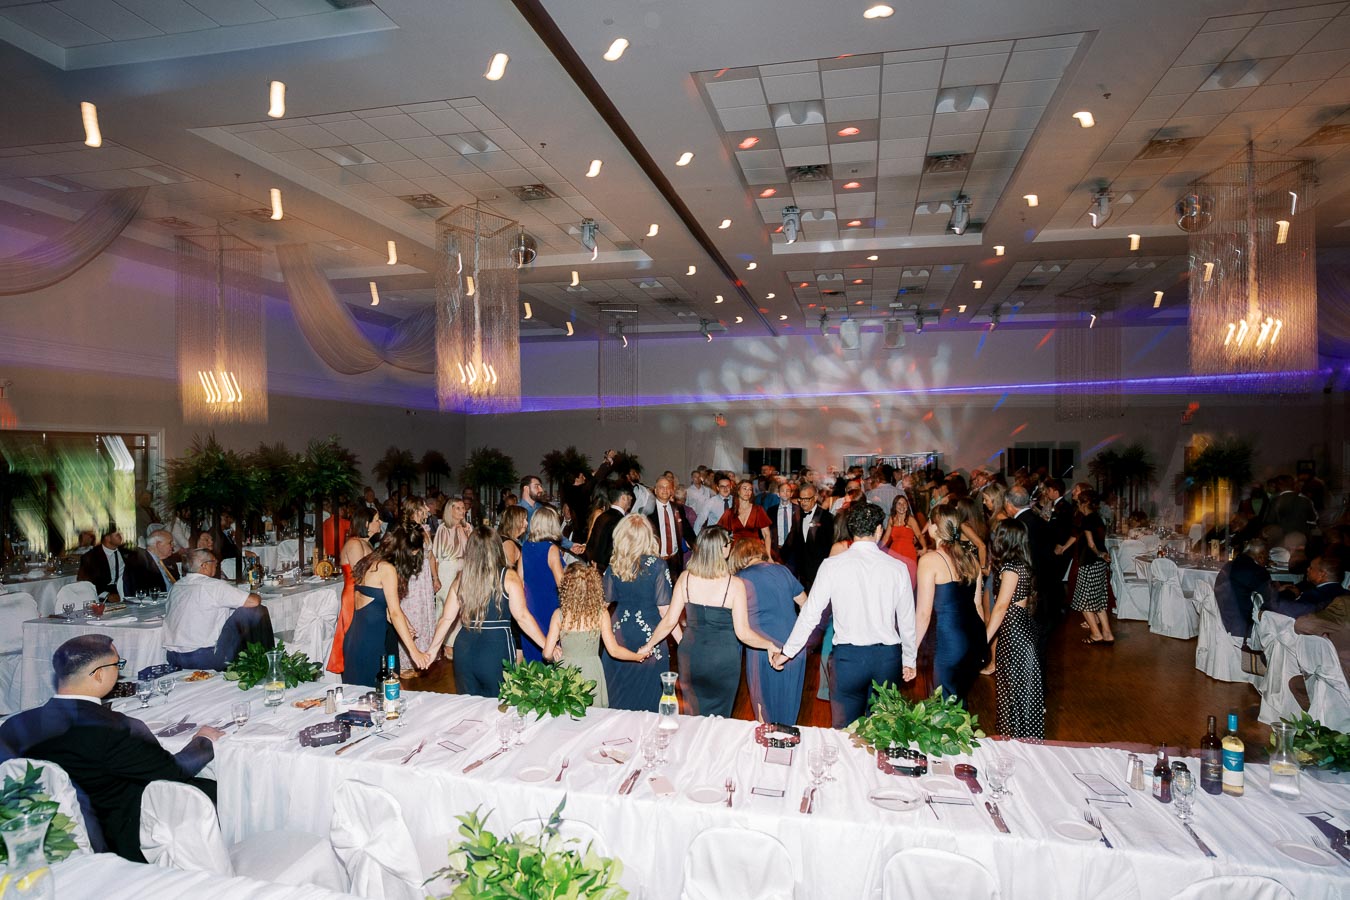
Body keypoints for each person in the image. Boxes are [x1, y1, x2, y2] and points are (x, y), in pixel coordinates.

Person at [0, 635, 222, 862]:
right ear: (99, 674)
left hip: (47, 836)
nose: (119, 670)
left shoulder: (13, 726)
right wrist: (203, 741)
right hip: (118, 842)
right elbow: (172, 771)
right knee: (216, 789)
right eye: (118, 664)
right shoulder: (116, 729)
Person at [773, 503, 918, 728]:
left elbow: (810, 614)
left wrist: (787, 652)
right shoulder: (897, 568)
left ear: (851, 530)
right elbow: (907, 620)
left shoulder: (832, 565)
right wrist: (909, 659)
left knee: (846, 733)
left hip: (848, 659)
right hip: (887, 658)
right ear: (879, 529)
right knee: (884, 730)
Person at [640, 526, 780, 717]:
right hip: (722, 660)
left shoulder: (685, 578)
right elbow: (743, 633)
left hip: (691, 656)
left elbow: (669, 621)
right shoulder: (735, 585)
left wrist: (648, 645)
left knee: (693, 717)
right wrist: (769, 645)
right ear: (722, 549)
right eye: (728, 544)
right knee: (720, 719)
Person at [428, 525, 549, 697]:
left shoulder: (461, 578)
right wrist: (547, 645)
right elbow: (522, 616)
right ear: (497, 548)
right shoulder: (508, 577)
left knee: (468, 708)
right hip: (496, 647)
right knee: (499, 706)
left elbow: (446, 619)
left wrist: (432, 650)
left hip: (464, 649)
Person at [542, 563, 647, 708]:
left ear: (566, 588)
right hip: (591, 673)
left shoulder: (559, 615)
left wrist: (555, 651)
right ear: (593, 587)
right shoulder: (600, 614)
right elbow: (614, 651)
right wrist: (638, 656)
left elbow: (547, 654)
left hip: (565, 675)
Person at [729, 537, 808, 724]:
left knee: (764, 712)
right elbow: (806, 605)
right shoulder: (783, 570)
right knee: (788, 711)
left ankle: (768, 750)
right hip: (793, 647)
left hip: (762, 649)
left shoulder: (740, 579)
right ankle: (787, 749)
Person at [600, 515, 674, 712]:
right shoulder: (658, 565)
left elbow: (601, 606)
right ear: (648, 536)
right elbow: (666, 611)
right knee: (649, 702)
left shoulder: (614, 566)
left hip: (618, 637)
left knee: (618, 699)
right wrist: (684, 642)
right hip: (651, 637)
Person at [915, 503, 987, 702]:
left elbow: (923, 614)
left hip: (948, 642)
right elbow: (978, 606)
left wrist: (910, 650)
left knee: (944, 708)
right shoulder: (971, 559)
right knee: (959, 701)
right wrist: (983, 643)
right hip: (973, 639)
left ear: (935, 528)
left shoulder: (930, 561)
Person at [343, 526, 430, 688]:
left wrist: (406, 624)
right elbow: (394, 613)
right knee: (385, 694)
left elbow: (382, 609)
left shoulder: (371, 561)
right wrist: (414, 652)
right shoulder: (387, 569)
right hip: (371, 644)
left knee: (374, 695)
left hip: (356, 639)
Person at [162, 549, 274, 670]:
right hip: (203, 658)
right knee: (256, 610)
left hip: (173, 657)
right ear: (204, 566)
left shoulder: (177, 586)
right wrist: (256, 593)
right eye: (214, 562)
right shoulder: (214, 585)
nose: (216, 564)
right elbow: (253, 602)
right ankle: (264, 661)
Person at [985, 519, 1044, 739]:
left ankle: (1015, 740)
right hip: (1021, 629)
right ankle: (1022, 739)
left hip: (1014, 633)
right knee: (1020, 692)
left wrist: (983, 641)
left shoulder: (1010, 569)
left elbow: (1000, 607)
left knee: (1014, 693)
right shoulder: (1023, 564)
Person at [327, 506, 380, 675]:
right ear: (366, 523)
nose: (380, 523)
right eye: (377, 520)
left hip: (366, 593)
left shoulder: (367, 544)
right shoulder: (354, 543)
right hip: (355, 594)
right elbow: (360, 575)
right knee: (355, 635)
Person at [1007, 485, 1060, 652]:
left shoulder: (1019, 525)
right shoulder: (1036, 519)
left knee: (1031, 636)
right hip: (1047, 582)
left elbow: (1027, 558)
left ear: (1009, 504)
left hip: (1034, 586)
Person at [1061, 491, 1115, 644]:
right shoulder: (1098, 519)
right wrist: (1103, 555)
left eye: (1078, 503)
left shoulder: (1086, 520)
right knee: (1099, 601)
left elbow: (1091, 544)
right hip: (1099, 565)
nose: (1078, 506)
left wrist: (1099, 554)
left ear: (1084, 504)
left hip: (1089, 563)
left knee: (1083, 602)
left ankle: (1096, 634)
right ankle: (1108, 634)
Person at [397, 499, 440, 678]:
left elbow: (430, 556)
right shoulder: (406, 532)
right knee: (412, 617)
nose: (426, 510)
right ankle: (406, 662)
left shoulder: (426, 529)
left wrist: (435, 577)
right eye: (423, 507)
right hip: (412, 578)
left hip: (424, 580)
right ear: (415, 509)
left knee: (425, 616)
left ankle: (423, 656)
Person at [520, 505, 566, 662]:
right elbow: (563, 585)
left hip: (529, 608)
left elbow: (520, 580)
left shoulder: (525, 546)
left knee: (532, 659)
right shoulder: (551, 549)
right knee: (552, 656)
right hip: (549, 608)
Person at [1215, 538, 1278, 645]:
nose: (1267, 560)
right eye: (1267, 557)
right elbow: (1270, 602)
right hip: (1243, 624)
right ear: (1261, 555)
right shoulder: (1259, 572)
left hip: (1221, 617)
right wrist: (1283, 592)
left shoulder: (1228, 566)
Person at [783, 483, 834, 591]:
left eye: (807, 499)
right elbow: (791, 539)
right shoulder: (798, 516)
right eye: (801, 499)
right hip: (802, 571)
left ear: (815, 498)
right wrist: (778, 559)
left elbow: (831, 544)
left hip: (820, 570)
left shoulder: (826, 517)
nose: (803, 502)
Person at [649, 476, 696, 581]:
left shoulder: (678, 508)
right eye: (661, 487)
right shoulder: (648, 510)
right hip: (656, 559)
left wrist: (698, 549)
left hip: (675, 559)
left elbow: (688, 531)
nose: (665, 490)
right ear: (655, 490)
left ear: (671, 491)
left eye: (668, 487)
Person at [1269, 558, 1348, 619]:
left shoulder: (1313, 596)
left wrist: (1288, 594)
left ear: (1322, 574)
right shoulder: (1347, 595)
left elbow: (1277, 608)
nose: (1307, 569)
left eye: (1311, 568)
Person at [586, 483, 632, 574]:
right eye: (630, 496)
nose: (632, 499)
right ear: (624, 498)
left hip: (595, 566)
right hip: (610, 571)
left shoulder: (602, 516)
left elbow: (592, 543)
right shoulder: (621, 521)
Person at [880, 493, 924, 586]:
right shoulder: (892, 519)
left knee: (909, 581)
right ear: (895, 506)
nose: (902, 506)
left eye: (904, 503)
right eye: (899, 504)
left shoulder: (911, 520)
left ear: (907, 506)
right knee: (894, 582)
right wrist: (877, 548)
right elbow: (886, 537)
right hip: (894, 553)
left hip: (908, 554)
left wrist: (924, 548)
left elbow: (919, 535)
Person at [719, 479, 772, 557]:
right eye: (744, 488)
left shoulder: (758, 510)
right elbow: (720, 533)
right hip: (736, 552)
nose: (747, 492)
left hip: (755, 550)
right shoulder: (730, 512)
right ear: (738, 491)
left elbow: (767, 534)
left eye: (750, 489)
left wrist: (768, 555)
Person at [123, 528, 181, 594]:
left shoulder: (170, 562)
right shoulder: (139, 562)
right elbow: (140, 590)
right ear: (158, 545)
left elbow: (177, 583)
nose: (173, 546)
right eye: (170, 543)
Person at [76, 525, 127, 597]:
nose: (121, 537)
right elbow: (84, 583)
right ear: (107, 538)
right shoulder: (91, 557)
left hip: (127, 590)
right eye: (117, 535)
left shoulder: (126, 553)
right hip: (105, 593)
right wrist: (106, 595)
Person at [500, 505, 527, 573]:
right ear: (514, 520)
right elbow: (509, 571)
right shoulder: (509, 544)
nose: (526, 523)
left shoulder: (510, 540)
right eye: (523, 519)